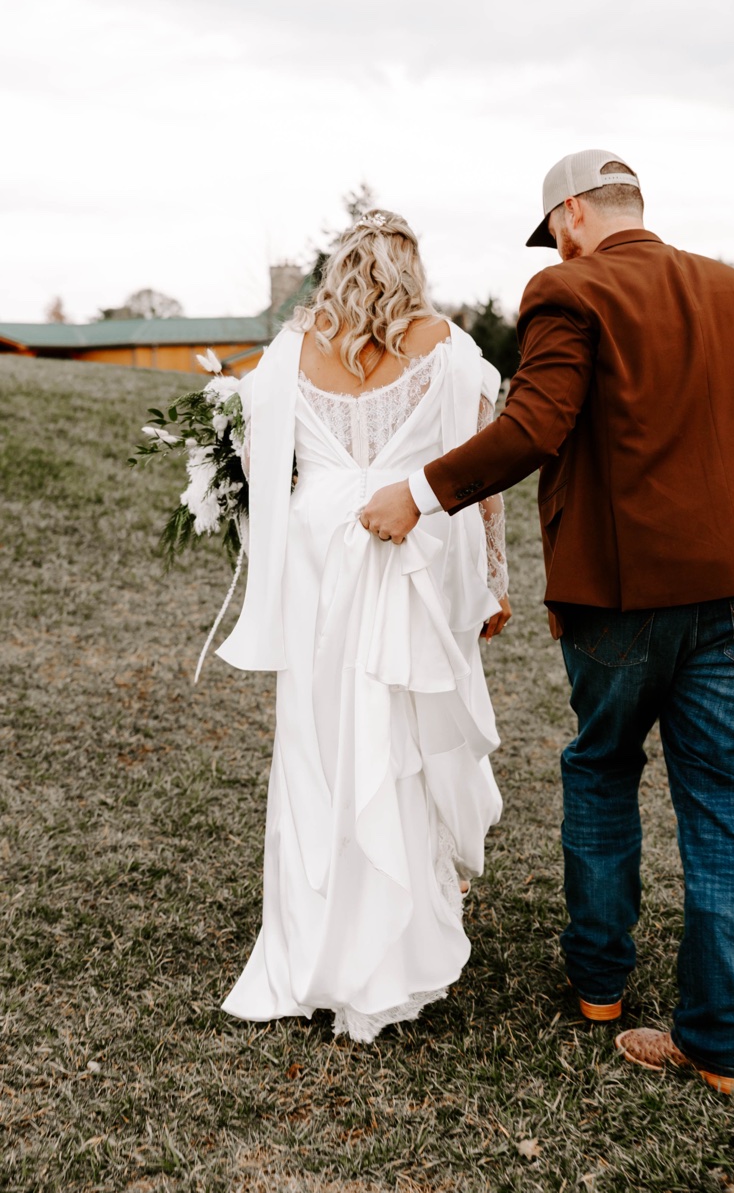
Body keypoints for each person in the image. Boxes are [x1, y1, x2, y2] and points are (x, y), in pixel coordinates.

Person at [359, 149, 734, 1094]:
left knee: (605, 768)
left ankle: (602, 984)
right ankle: (727, 1044)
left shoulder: (566, 290)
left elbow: (536, 426)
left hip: (623, 595)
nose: (556, 243)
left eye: (555, 227)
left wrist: (420, 491)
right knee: (723, 800)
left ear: (573, 212)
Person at [218, 210, 511, 1043]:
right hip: (406, 549)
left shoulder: (290, 349)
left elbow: (252, 460)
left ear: (340, 265)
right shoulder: (447, 348)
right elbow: (484, 466)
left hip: (317, 563)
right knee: (394, 740)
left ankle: (310, 950)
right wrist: (493, 580)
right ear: (410, 268)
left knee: (316, 746)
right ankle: (388, 951)